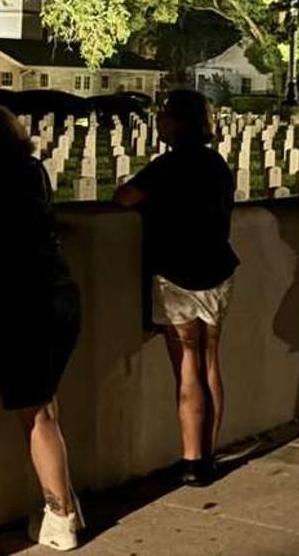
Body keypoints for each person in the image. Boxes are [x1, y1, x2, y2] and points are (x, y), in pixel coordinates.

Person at [0, 106, 85, 550]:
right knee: (47, 404)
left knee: (36, 412)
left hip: (16, 300)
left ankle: (60, 517)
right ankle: (65, 503)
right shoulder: (33, 171)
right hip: (59, 292)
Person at [113, 89, 237, 486]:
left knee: (186, 363)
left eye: (165, 114)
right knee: (211, 361)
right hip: (217, 269)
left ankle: (192, 459)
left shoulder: (166, 166)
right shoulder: (216, 164)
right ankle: (211, 453)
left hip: (175, 274)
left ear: (179, 122)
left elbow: (124, 198)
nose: (160, 120)